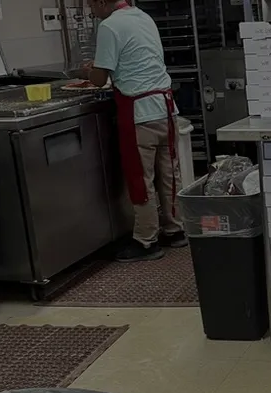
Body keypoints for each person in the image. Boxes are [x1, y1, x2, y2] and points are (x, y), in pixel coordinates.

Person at [86, 0, 187, 262]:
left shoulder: (109, 26)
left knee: (140, 179)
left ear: (101, 2)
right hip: (166, 109)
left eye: (90, 5)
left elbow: (100, 78)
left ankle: (146, 241)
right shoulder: (143, 17)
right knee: (170, 174)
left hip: (139, 114)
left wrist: (88, 71)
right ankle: (175, 230)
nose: (91, 12)